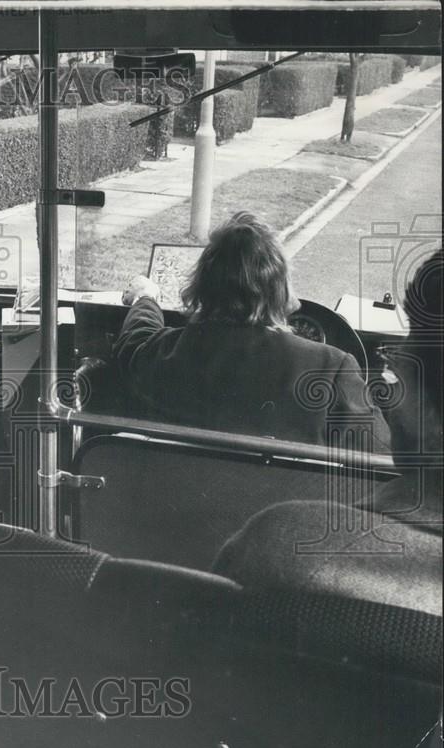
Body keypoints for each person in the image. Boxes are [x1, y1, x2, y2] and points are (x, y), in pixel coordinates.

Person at [213, 250, 442, 615]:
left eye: (404, 355)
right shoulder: (333, 363)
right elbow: (374, 448)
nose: (392, 372)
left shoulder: (281, 545)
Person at [112, 211, 390, 450]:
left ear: (203, 287)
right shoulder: (332, 367)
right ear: (280, 289)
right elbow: (381, 457)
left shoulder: (165, 354)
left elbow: (136, 338)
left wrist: (146, 297)